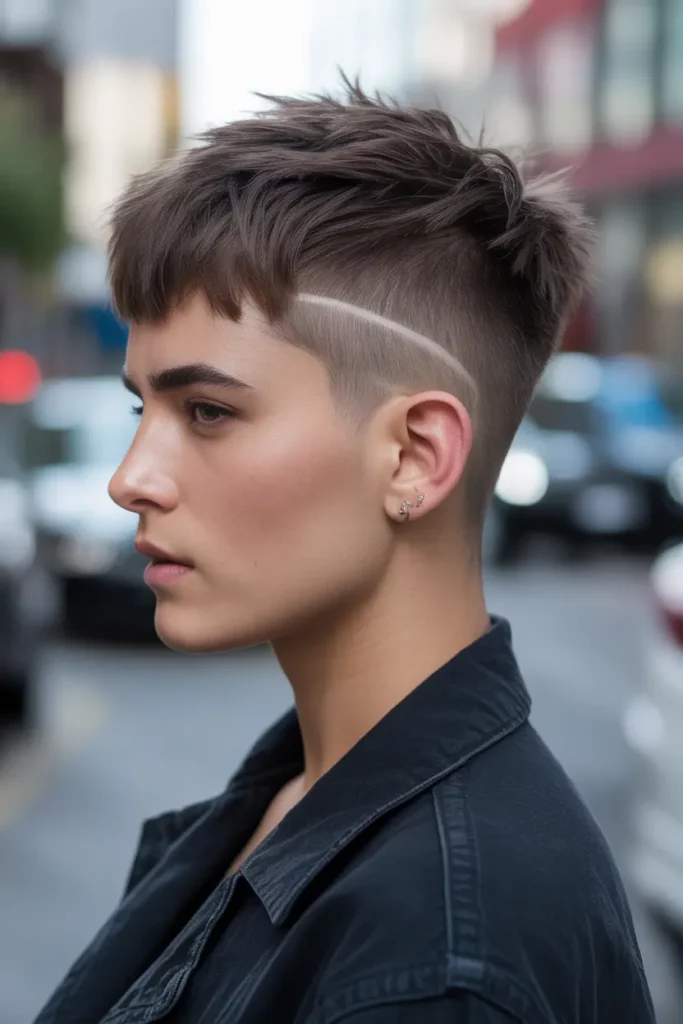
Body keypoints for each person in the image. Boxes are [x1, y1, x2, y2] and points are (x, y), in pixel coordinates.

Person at [34, 82, 655, 1024]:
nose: (130, 478)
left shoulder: (437, 966)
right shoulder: (305, 795)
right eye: (140, 408)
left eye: (206, 411)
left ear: (413, 456)